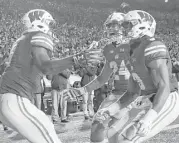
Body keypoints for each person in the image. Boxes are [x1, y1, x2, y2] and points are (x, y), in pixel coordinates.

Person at [0, 9, 102, 143]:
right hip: (15, 97)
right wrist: (77, 58)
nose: (50, 27)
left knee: (45, 128)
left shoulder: (24, 39)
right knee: (48, 134)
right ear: (39, 22)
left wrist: (72, 61)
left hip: (9, 97)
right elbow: (46, 66)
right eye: (48, 23)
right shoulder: (37, 36)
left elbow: (47, 72)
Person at [77, 10, 179, 143]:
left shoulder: (153, 46)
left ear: (143, 26)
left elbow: (164, 87)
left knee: (127, 139)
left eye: (128, 25)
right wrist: (111, 109)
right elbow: (132, 92)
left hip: (165, 99)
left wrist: (148, 118)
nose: (124, 29)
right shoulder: (130, 50)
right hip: (145, 98)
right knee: (117, 139)